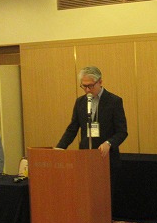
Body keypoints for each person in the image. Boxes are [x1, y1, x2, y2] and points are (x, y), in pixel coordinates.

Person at [55, 66, 128, 212]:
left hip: (105, 157)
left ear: (100, 82)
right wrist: (60, 147)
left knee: (104, 197)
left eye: (90, 86)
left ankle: (104, 222)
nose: (87, 90)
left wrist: (109, 143)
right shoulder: (80, 102)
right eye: (84, 86)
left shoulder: (114, 101)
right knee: (86, 195)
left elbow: (122, 132)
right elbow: (72, 128)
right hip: (85, 157)